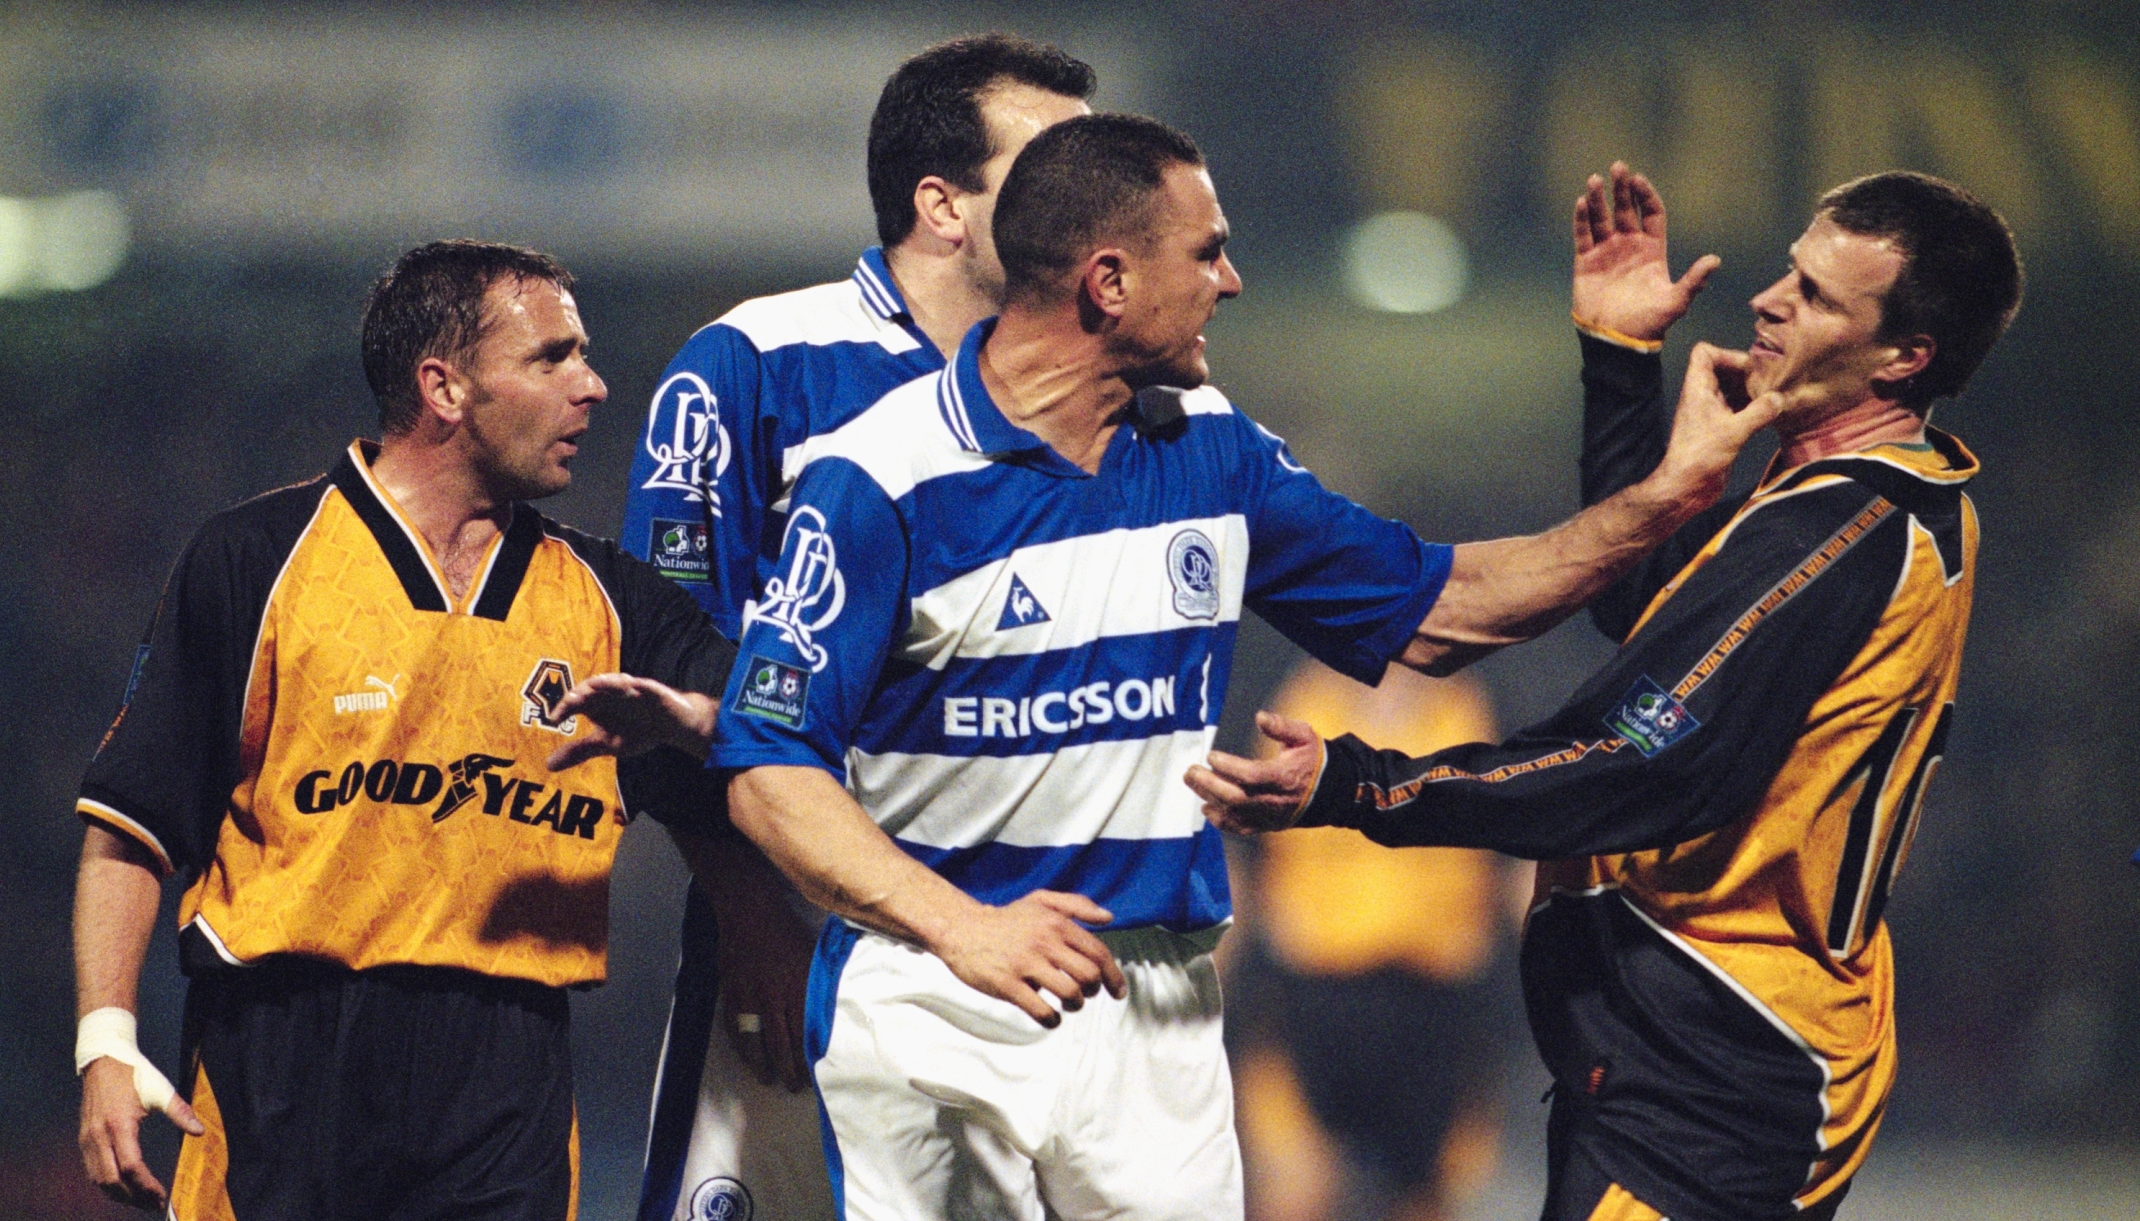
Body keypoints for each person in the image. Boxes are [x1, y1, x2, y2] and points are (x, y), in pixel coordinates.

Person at [564, 114, 1771, 1220]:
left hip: (1161, 1013)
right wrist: (959, 928)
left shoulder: (1210, 449)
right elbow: (769, 762)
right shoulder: (878, 480)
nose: (1231, 281)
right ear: (1108, 281)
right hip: (933, 991)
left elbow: (1444, 606)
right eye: (1209, 252)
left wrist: (1666, 497)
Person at [1185, 165, 2023, 1221]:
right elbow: (1649, 609)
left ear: (1906, 357)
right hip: (1688, 1050)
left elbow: (1640, 757)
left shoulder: (1837, 533)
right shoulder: (1846, 498)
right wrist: (1622, 366)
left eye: (1814, 296)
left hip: (1712, 1065)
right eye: (1788, 273)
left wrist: (1361, 789)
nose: (1766, 299)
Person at [72, 241, 740, 1220]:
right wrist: (104, 1041)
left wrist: (694, 717)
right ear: (445, 387)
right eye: (551, 358)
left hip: (506, 1069)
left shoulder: (610, 602)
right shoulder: (254, 562)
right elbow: (130, 824)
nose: (592, 386)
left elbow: (777, 721)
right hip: (278, 1061)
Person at [613, 33, 1095, 1221]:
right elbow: (664, 652)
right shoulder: (752, 363)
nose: (1089, 195)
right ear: (941, 205)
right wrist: (748, 910)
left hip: (1042, 941)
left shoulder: (1103, 390)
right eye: (1051, 164)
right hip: (805, 931)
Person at [1226, 662, 1520, 1221]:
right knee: (1295, 1194)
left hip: (1439, 1006)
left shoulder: (1479, 707)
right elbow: (1239, 862)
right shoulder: (1288, 699)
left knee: (1425, 1202)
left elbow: (1522, 865)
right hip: (1309, 999)